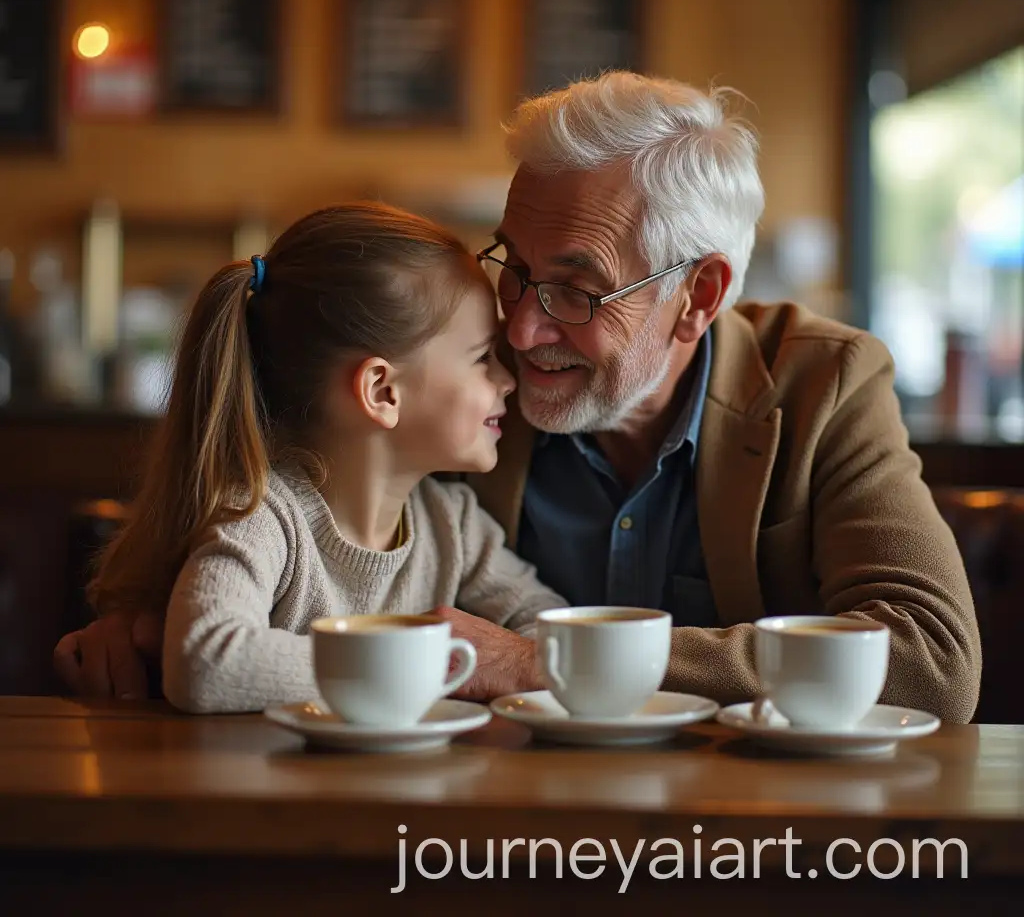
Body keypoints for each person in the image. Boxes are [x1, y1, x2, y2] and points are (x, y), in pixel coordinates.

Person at [55, 73, 981, 723]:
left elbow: (932, 665)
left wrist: (541, 662)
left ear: (697, 296)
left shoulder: (824, 384)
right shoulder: (460, 381)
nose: (523, 329)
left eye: (576, 288)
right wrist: (141, 617)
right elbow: (279, 463)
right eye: (514, 266)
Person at [73, 203, 566, 712]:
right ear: (382, 391)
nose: (507, 380)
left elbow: (550, 629)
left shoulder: (453, 525)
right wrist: (410, 664)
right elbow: (204, 661)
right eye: (483, 357)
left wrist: (505, 657)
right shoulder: (261, 517)